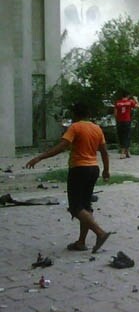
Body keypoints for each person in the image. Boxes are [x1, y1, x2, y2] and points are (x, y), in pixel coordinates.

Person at [26, 102, 112, 254]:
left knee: (75, 207)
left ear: (75, 114)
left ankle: (100, 233)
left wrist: (40, 157)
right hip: (94, 168)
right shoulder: (96, 128)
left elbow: (62, 146)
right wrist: (106, 170)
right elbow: (104, 152)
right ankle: (81, 242)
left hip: (79, 169)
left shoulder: (75, 127)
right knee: (85, 205)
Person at [114, 90, 139, 159]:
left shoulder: (118, 102)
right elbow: (138, 106)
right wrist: (136, 99)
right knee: (127, 136)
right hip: (127, 121)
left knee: (121, 136)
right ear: (128, 96)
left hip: (119, 121)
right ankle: (123, 153)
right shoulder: (130, 102)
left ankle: (127, 152)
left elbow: (115, 114)